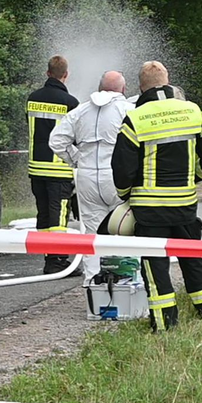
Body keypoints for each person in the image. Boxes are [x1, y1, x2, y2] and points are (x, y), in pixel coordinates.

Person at [112, 61, 202, 331]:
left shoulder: (136, 118)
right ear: (168, 80)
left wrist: (125, 194)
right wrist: (195, 177)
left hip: (149, 208)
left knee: (155, 267)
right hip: (184, 204)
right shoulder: (193, 112)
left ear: (141, 87)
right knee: (193, 259)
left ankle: (165, 324)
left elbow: (123, 168)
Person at [48, 71, 135, 283]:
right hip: (116, 177)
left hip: (87, 177)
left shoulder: (81, 110)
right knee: (125, 228)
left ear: (99, 87)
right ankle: (126, 282)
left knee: (93, 233)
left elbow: (56, 140)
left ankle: (92, 282)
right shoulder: (128, 110)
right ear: (123, 89)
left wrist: (77, 160)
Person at [27, 55, 78, 274]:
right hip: (59, 169)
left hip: (36, 167)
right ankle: (57, 260)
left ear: (48, 73)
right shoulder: (71, 103)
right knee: (58, 216)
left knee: (44, 214)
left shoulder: (32, 98)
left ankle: (48, 256)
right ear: (66, 74)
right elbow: (75, 137)